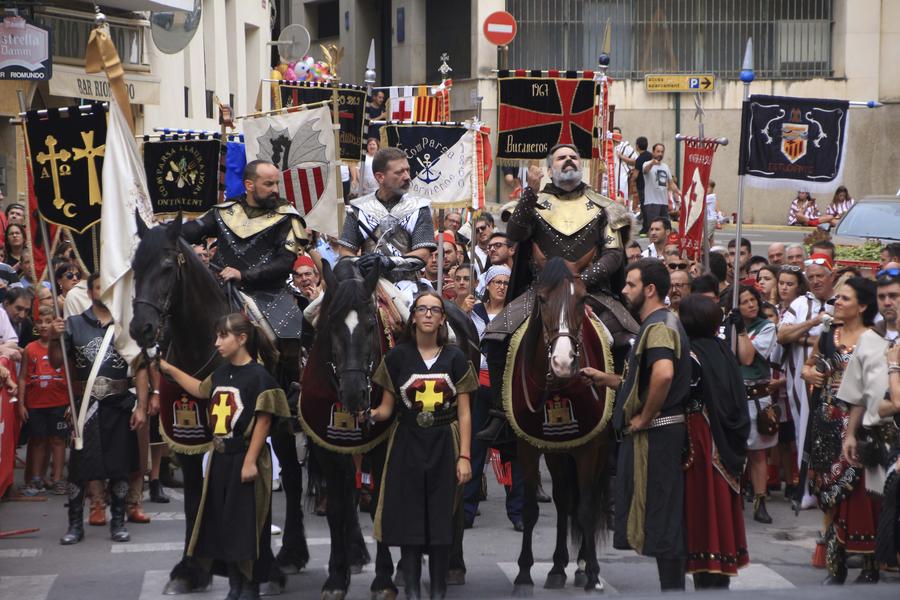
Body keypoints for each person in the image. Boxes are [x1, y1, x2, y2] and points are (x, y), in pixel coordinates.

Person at [480, 143, 634, 443]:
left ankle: (622, 408)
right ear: (551, 166)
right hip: (541, 291)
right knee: (497, 334)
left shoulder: (606, 207)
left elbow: (613, 255)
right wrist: (530, 191)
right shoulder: (533, 202)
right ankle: (501, 416)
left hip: (592, 291)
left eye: (573, 157)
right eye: (561, 157)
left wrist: (580, 281)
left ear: (581, 164)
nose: (568, 161)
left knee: (629, 336)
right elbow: (515, 235)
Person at [159, 313, 290, 600]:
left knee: (247, 525)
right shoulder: (221, 373)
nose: (217, 343)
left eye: (223, 336)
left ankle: (250, 585)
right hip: (220, 459)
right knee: (224, 523)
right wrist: (168, 368)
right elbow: (198, 389)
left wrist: (250, 461)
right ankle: (234, 584)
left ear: (241, 339)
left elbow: (264, 422)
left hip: (244, 457)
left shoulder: (259, 377)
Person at [368, 292, 478, 599]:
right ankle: (413, 591)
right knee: (410, 518)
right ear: (413, 316)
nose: (428, 314)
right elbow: (388, 409)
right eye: (422, 309)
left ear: (443, 318)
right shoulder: (397, 358)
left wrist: (465, 456)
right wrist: (369, 413)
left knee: (442, 519)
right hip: (407, 443)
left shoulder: (456, 358)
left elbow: (465, 412)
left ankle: (438, 590)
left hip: (445, 443)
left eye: (435, 310)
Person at [611, 259, 690, 590]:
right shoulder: (658, 322)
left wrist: (643, 418)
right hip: (658, 433)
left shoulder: (659, 325)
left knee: (663, 518)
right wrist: (606, 379)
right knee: (660, 517)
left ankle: (673, 593)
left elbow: (663, 375)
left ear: (650, 289)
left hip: (659, 434)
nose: (624, 290)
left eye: (630, 284)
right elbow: (642, 381)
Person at [50, 273, 145, 545]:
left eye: (109, 288)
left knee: (119, 467)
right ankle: (74, 527)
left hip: (119, 405)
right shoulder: (72, 325)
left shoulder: (126, 326)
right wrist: (56, 338)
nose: (104, 292)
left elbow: (139, 368)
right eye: (99, 287)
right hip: (84, 408)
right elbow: (57, 363)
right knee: (79, 468)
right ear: (90, 292)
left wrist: (140, 405)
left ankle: (117, 523)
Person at [800, 277, 879, 584]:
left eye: (844, 299)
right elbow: (809, 365)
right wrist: (811, 373)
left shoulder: (876, 339)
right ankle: (837, 566)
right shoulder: (827, 335)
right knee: (830, 495)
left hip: (860, 427)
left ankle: (870, 564)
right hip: (826, 422)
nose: (837, 304)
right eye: (837, 299)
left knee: (861, 495)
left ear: (862, 306)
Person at [678, 294, 751, 589]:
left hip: (701, 436)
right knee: (716, 503)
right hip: (722, 437)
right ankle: (719, 565)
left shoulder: (691, 355)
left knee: (704, 504)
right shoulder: (722, 350)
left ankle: (707, 567)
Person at [840, 273, 900, 583]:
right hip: (879, 438)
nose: (888, 302)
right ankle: (873, 567)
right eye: (883, 296)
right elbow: (858, 393)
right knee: (878, 506)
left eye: (895, 295)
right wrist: (850, 434)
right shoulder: (868, 339)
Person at [465, 265, 526, 529]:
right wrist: (460, 310)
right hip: (480, 387)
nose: (501, 286)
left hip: (508, 389)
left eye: (505, 282)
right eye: (496, 282)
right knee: (475, 450)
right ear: (487, 285)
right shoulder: (472, 314)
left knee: (513, 452)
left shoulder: (518, 314)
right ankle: (465, 510)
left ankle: (518, 512)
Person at [338, 147, 435, 299]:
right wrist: (362, 263)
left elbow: (423, 255)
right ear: (380, 177)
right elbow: (345, 252)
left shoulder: (419, 208)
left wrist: (388, 262)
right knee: (315, 313)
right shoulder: (358, 209)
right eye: (399, 172)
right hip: (366, 285)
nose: (407, 177)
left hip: (407, 287)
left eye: (407, 170)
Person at [777, 255, 835, 509]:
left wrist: (808, 339)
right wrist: (813, 323)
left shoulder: (841, 302)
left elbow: (841, 339)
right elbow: (782, 334)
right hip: (800, 378)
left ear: (831, 277)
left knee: (832, 429)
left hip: (834, 379)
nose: (815, 281)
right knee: (803, 428)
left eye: (819, 276)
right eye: (810, 277)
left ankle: (830, 485)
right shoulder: (801, 303)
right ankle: (807, 488)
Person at [728, 285, 778, 523]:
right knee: (732, 451)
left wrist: (739, 330)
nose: (750, 304)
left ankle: (760, 500)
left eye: (752, 300)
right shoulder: (725, 326)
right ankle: (731, 496)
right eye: (744, 301)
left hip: (756, 397)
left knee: (758, 454)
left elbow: (747, 356)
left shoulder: (766, 327)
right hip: (732, 395)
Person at [17, 305, 69, 496]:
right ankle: (36, 478)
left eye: (49, 321)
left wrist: (71, 404)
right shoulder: (30, 348)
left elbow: (71, 375)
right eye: (40, 321)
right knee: (37, 440)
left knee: (58, 440)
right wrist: (22, 404)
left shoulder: (64, 346)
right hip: (36, 403)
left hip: (59, 401)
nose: (44, 325)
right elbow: (22, 377)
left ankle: (57, 478)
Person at [641, 143, 680, 231]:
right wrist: (652, 163)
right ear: (653, 152)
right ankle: (652, 245)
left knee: (665, 229)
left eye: (662, 152)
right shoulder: (646, 164)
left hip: (663, 203)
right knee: (653, 229)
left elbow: (671, 183)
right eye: (658, 151)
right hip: (651, 202)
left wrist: (680, 192)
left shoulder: (665, 167)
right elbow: (645, 171)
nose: (660, 154)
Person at [633, 137, 652, 226]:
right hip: (651, 185)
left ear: (637, 146)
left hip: (642, 186)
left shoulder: (639, 159)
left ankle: (646, 225)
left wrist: (632, 183)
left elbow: (635, 175)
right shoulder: (651, 156)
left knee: (644, 205)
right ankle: (642, 218)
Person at [470, 213, 494, 281]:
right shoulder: (470, 255)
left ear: (491, 227)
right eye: (477, 230)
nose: (480, 231)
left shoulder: (501, 248)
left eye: (483, 228)